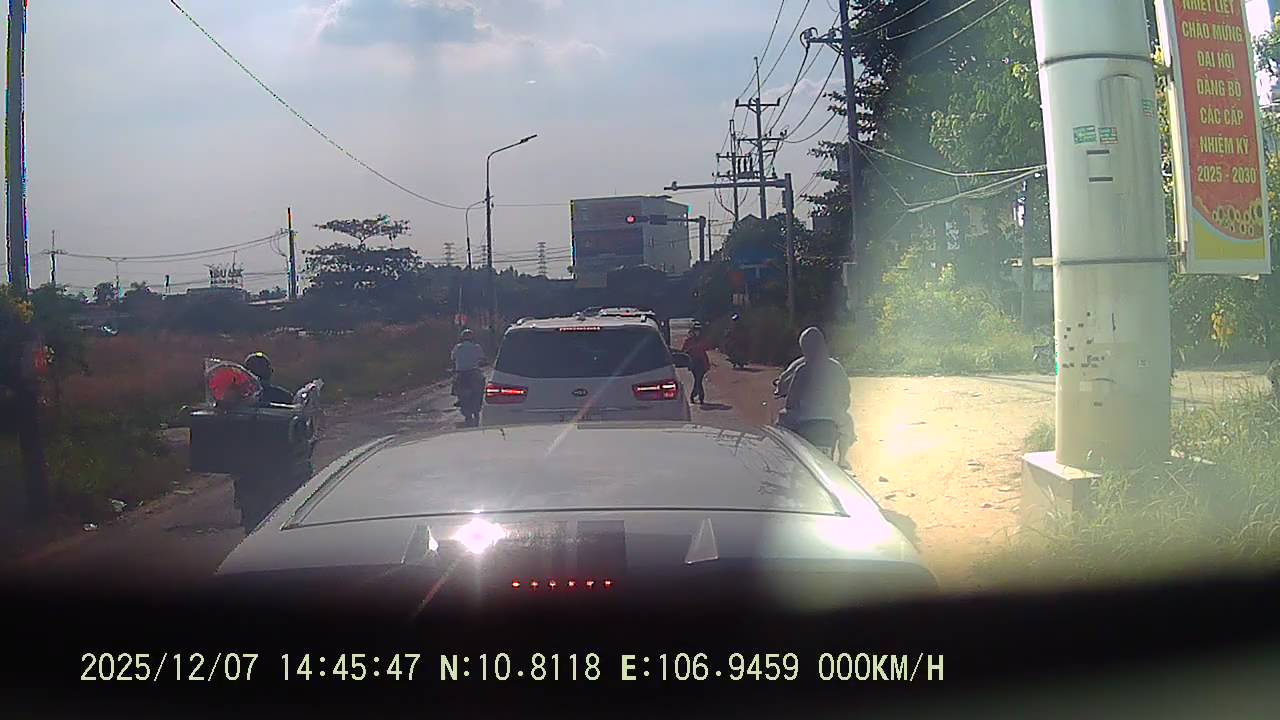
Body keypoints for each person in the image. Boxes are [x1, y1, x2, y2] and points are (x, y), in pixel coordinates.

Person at [775, 327, 855, 469]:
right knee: (848, 427)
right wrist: (840, 410)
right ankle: (842, 459)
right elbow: (845, 394)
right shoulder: (836, 367)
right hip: (834, 418)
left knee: (780, 429)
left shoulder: (802, 370)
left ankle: (785, 459)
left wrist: (787, 412)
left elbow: (791, 401)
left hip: (803, 418)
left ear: (805, 349)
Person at [451, 328, 485, 405]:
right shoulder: (476, 347)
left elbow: (452, 357)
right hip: (473, 370)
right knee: (482, 381)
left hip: (460, 371)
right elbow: (482, 358)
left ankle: (459, 398)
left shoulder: (457, 347)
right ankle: (479, 398)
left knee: (455, 381)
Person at [682, 322, 713, 404]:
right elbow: (684, 350)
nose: (697, 332)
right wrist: (690, 349)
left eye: (698, 330)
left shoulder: (703, 339)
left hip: (702, 362)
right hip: (693, 362)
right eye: (696, 330)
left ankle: (695, 396)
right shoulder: (689, 340)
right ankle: (698, 396)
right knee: (698, 380)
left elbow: (708, 346)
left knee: (698, 380)